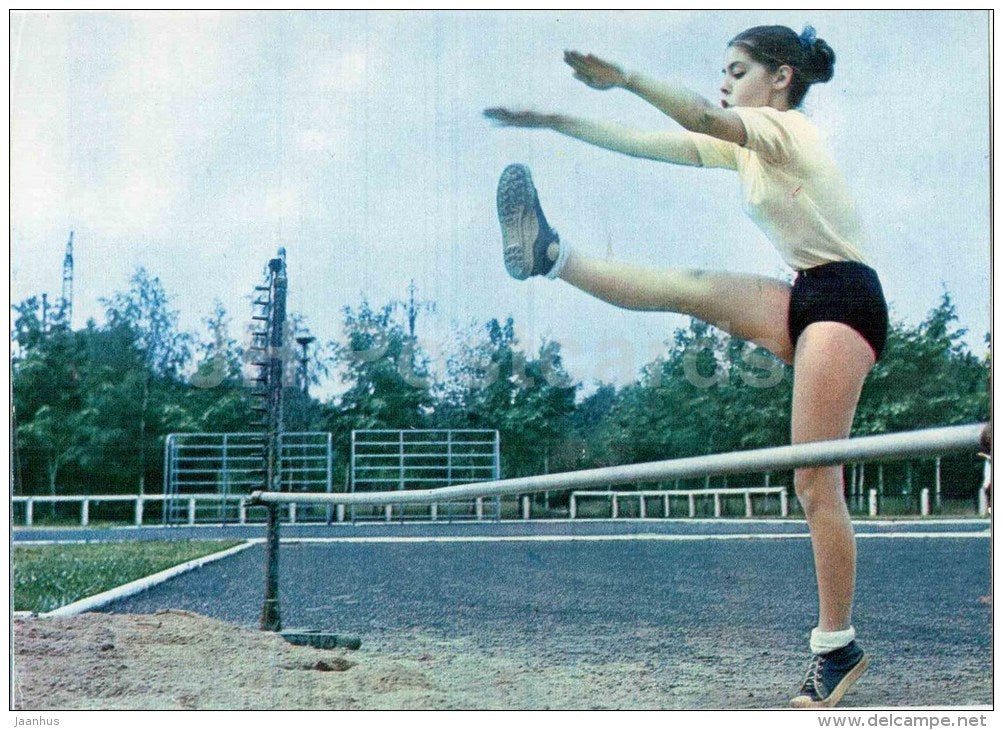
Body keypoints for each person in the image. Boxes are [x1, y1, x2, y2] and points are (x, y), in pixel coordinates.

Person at [485, 25, 886, 709]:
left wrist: (629, 78)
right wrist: (556, 121)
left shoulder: (785, 133)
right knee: (691, 284)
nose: (723, 83)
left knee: (815, 480)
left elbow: (700, 116)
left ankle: (836, 645)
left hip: (845, 299)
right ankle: (551, 255)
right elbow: (655, 143)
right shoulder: (752, 149)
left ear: (780, 77)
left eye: (735, 70)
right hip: (806, 291)